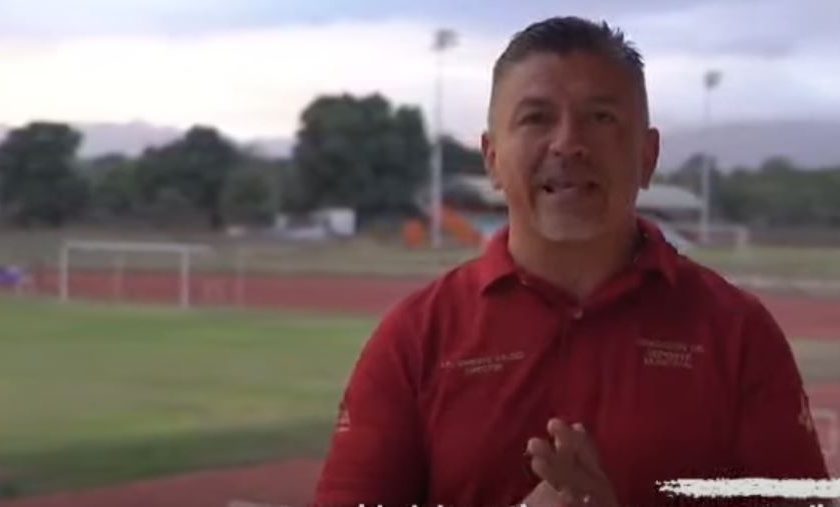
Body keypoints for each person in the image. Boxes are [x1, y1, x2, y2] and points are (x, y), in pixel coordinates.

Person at [313, 16, 828, 507]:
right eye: (536, 118)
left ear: (647, 156)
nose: (568, 143)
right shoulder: (415, 339)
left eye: (601, 118)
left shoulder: (738, 335)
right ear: (492, 159)